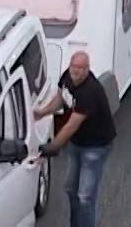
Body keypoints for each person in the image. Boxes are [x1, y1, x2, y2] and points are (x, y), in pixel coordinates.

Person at [33, 50, 116, 227]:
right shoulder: (67, 77)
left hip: (96, 147)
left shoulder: (90, 92)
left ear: (87, 69)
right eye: (73, 66)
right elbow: (61, 99)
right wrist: (42, 112)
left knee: (85, 196)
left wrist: (52, 147)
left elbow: (72, 125)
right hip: (77, 143)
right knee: (71, 189)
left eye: (80, 68)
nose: (76, 71)